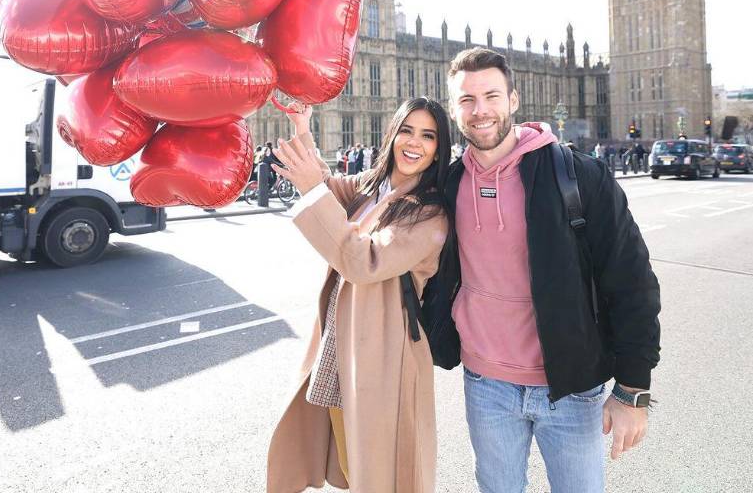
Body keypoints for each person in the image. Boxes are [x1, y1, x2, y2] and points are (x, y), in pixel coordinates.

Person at [441, 48, 660, 492]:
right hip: (486, 386)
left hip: (571, 388)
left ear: (514, 100)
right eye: (467, 100)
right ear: (453, 108)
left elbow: (631, 280)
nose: (480, 110)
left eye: (491, 96)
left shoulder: (579, 174)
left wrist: (633, 388)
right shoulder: (449, 183)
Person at [267, 97, 453, 493]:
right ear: (392, 133)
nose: (414, 142)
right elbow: (327, 189)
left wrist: (311, 190)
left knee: (385, 468)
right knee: (355, 458)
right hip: (343, 344)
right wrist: (303, 127)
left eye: (428, 135)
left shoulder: (429, 215)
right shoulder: (372, 185)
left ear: (439, 148)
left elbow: (365, 260)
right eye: (406, 130)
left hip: (386, 352)